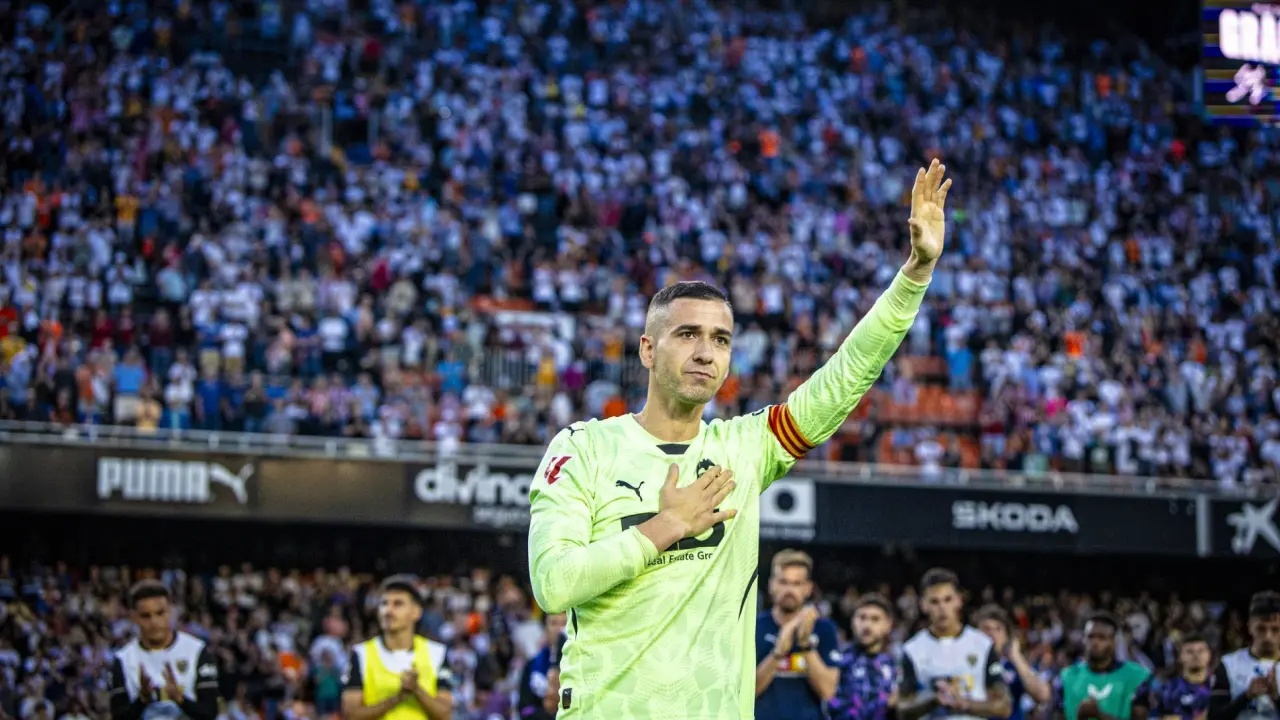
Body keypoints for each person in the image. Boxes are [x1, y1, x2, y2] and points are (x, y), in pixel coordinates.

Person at [525, 159, 950, 720]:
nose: (705, 352)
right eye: (687, 334)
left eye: (721, 339)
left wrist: (915, 273)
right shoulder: (584, 448)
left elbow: (846, 376)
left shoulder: (745, 449)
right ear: (647, 350)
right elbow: (553, 585)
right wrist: (665, 526)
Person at [898, 569, 1011, 720]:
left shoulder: (982, 645)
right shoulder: (912, 650)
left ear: (959, 600)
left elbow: (1003, 706)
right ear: (923, 605)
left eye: (948, 599)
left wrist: (965, 705)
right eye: (934, 602)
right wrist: (934, 701)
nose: (942, 608)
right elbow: (902, 709)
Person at [341, 575, 453, 720]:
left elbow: (445, 714)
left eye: (398, 604)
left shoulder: (436, 653)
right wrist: (397, 698)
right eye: (384, 603)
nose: (388, 610)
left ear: (416, 612)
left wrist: (417, 690)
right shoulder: (360, 654)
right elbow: (351, 715)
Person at [108, 580, 220, 720]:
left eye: (160, 613)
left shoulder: (196, 651)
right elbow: (118, 716)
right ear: (134, 617)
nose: (154, 622)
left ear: (170, 612)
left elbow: (210, 713)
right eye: (146, 616)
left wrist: (180, 699)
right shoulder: (123, 659)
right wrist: (142, 700)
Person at [755, 550, 841, 720]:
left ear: (808, 588)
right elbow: (747, 692)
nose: (789, 590)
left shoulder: (824, 629)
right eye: (783, 582)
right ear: (772, 585)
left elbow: (828, 692)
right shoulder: (754, 626)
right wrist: (777, 654)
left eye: (796, 583)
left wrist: (805, 645)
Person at [1051, 612, 1152, 720]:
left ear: (1114, 641)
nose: (1095, 642)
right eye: (1090, 637)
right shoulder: (1066, 678)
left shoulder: (1136, 677)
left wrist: (1099, 715)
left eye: (1102, 637)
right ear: (1083, 639)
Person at [825, 594, 899, 720]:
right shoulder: (839, 659)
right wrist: (885, 704)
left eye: (875, 619)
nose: (867, 625)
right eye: (862, 618)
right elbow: (833, 707)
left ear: (888, 625)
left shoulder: (896, 662)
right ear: (853, 622)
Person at [1210, 591, 1280, 720]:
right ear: (1250, 627)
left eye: (1275, 629)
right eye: (1261, 629)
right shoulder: (1229, 664)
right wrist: (1246, 697)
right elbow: (1214, 717)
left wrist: (1276, 698)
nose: (1268, 637)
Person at [975, 605, 1051, 720]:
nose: (992, 634)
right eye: (986, 629)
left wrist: (1016, 656)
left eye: (998, 629)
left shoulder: (1014, 667)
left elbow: (1043, 695)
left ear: (1007, 637)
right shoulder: (967, 665)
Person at [1144, 634, 1212, 720]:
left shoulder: (1218, 685)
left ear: (1209, 654)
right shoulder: (1168, 688)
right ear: (1180, 656)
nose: (1196, 656)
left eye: (1201, 651)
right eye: (1190, 652)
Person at [517, 613, 568, 720]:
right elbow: (524, 708)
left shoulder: (579, 665)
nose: (560, 629)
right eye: (554, 623)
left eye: (564, 623)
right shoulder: (532, 665)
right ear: (546, 630)